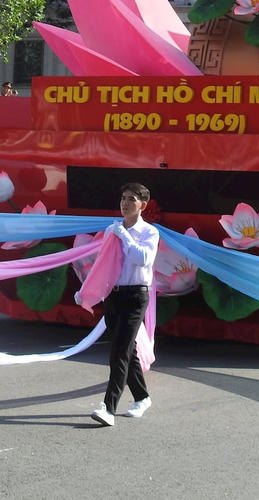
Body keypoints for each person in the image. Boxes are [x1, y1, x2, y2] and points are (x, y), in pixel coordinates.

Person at [84, 182, 159, 427]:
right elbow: (103, 264)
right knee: (127, 350)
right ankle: (142, 397)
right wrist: (86, 292)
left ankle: (108, 407)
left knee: (119, 351)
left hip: (136, 296)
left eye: (131, 200)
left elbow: (143, 258)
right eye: (123, 198)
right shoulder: (112, 230)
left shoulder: (149, 232)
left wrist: (124, 235)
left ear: (143, 205)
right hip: (113, 295)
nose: (125, 203)